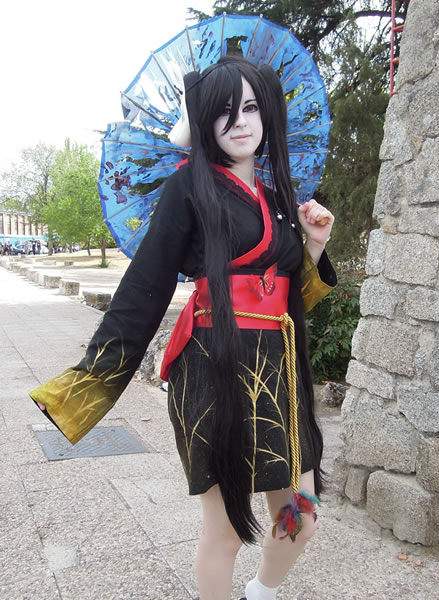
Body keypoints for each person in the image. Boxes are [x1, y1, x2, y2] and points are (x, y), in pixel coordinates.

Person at [30, 56, 336, 600]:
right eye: (223, 111)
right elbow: (144, 286)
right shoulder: (188, 189)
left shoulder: (278, 201)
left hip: (278, 371)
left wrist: (313, 244)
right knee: (226, 532)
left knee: (302, 514)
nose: (239, 121)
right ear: (203, 122)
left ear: (266, 113)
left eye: (250, 107)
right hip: (213, 368)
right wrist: (86, 385)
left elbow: (292, 301)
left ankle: (260, 593)